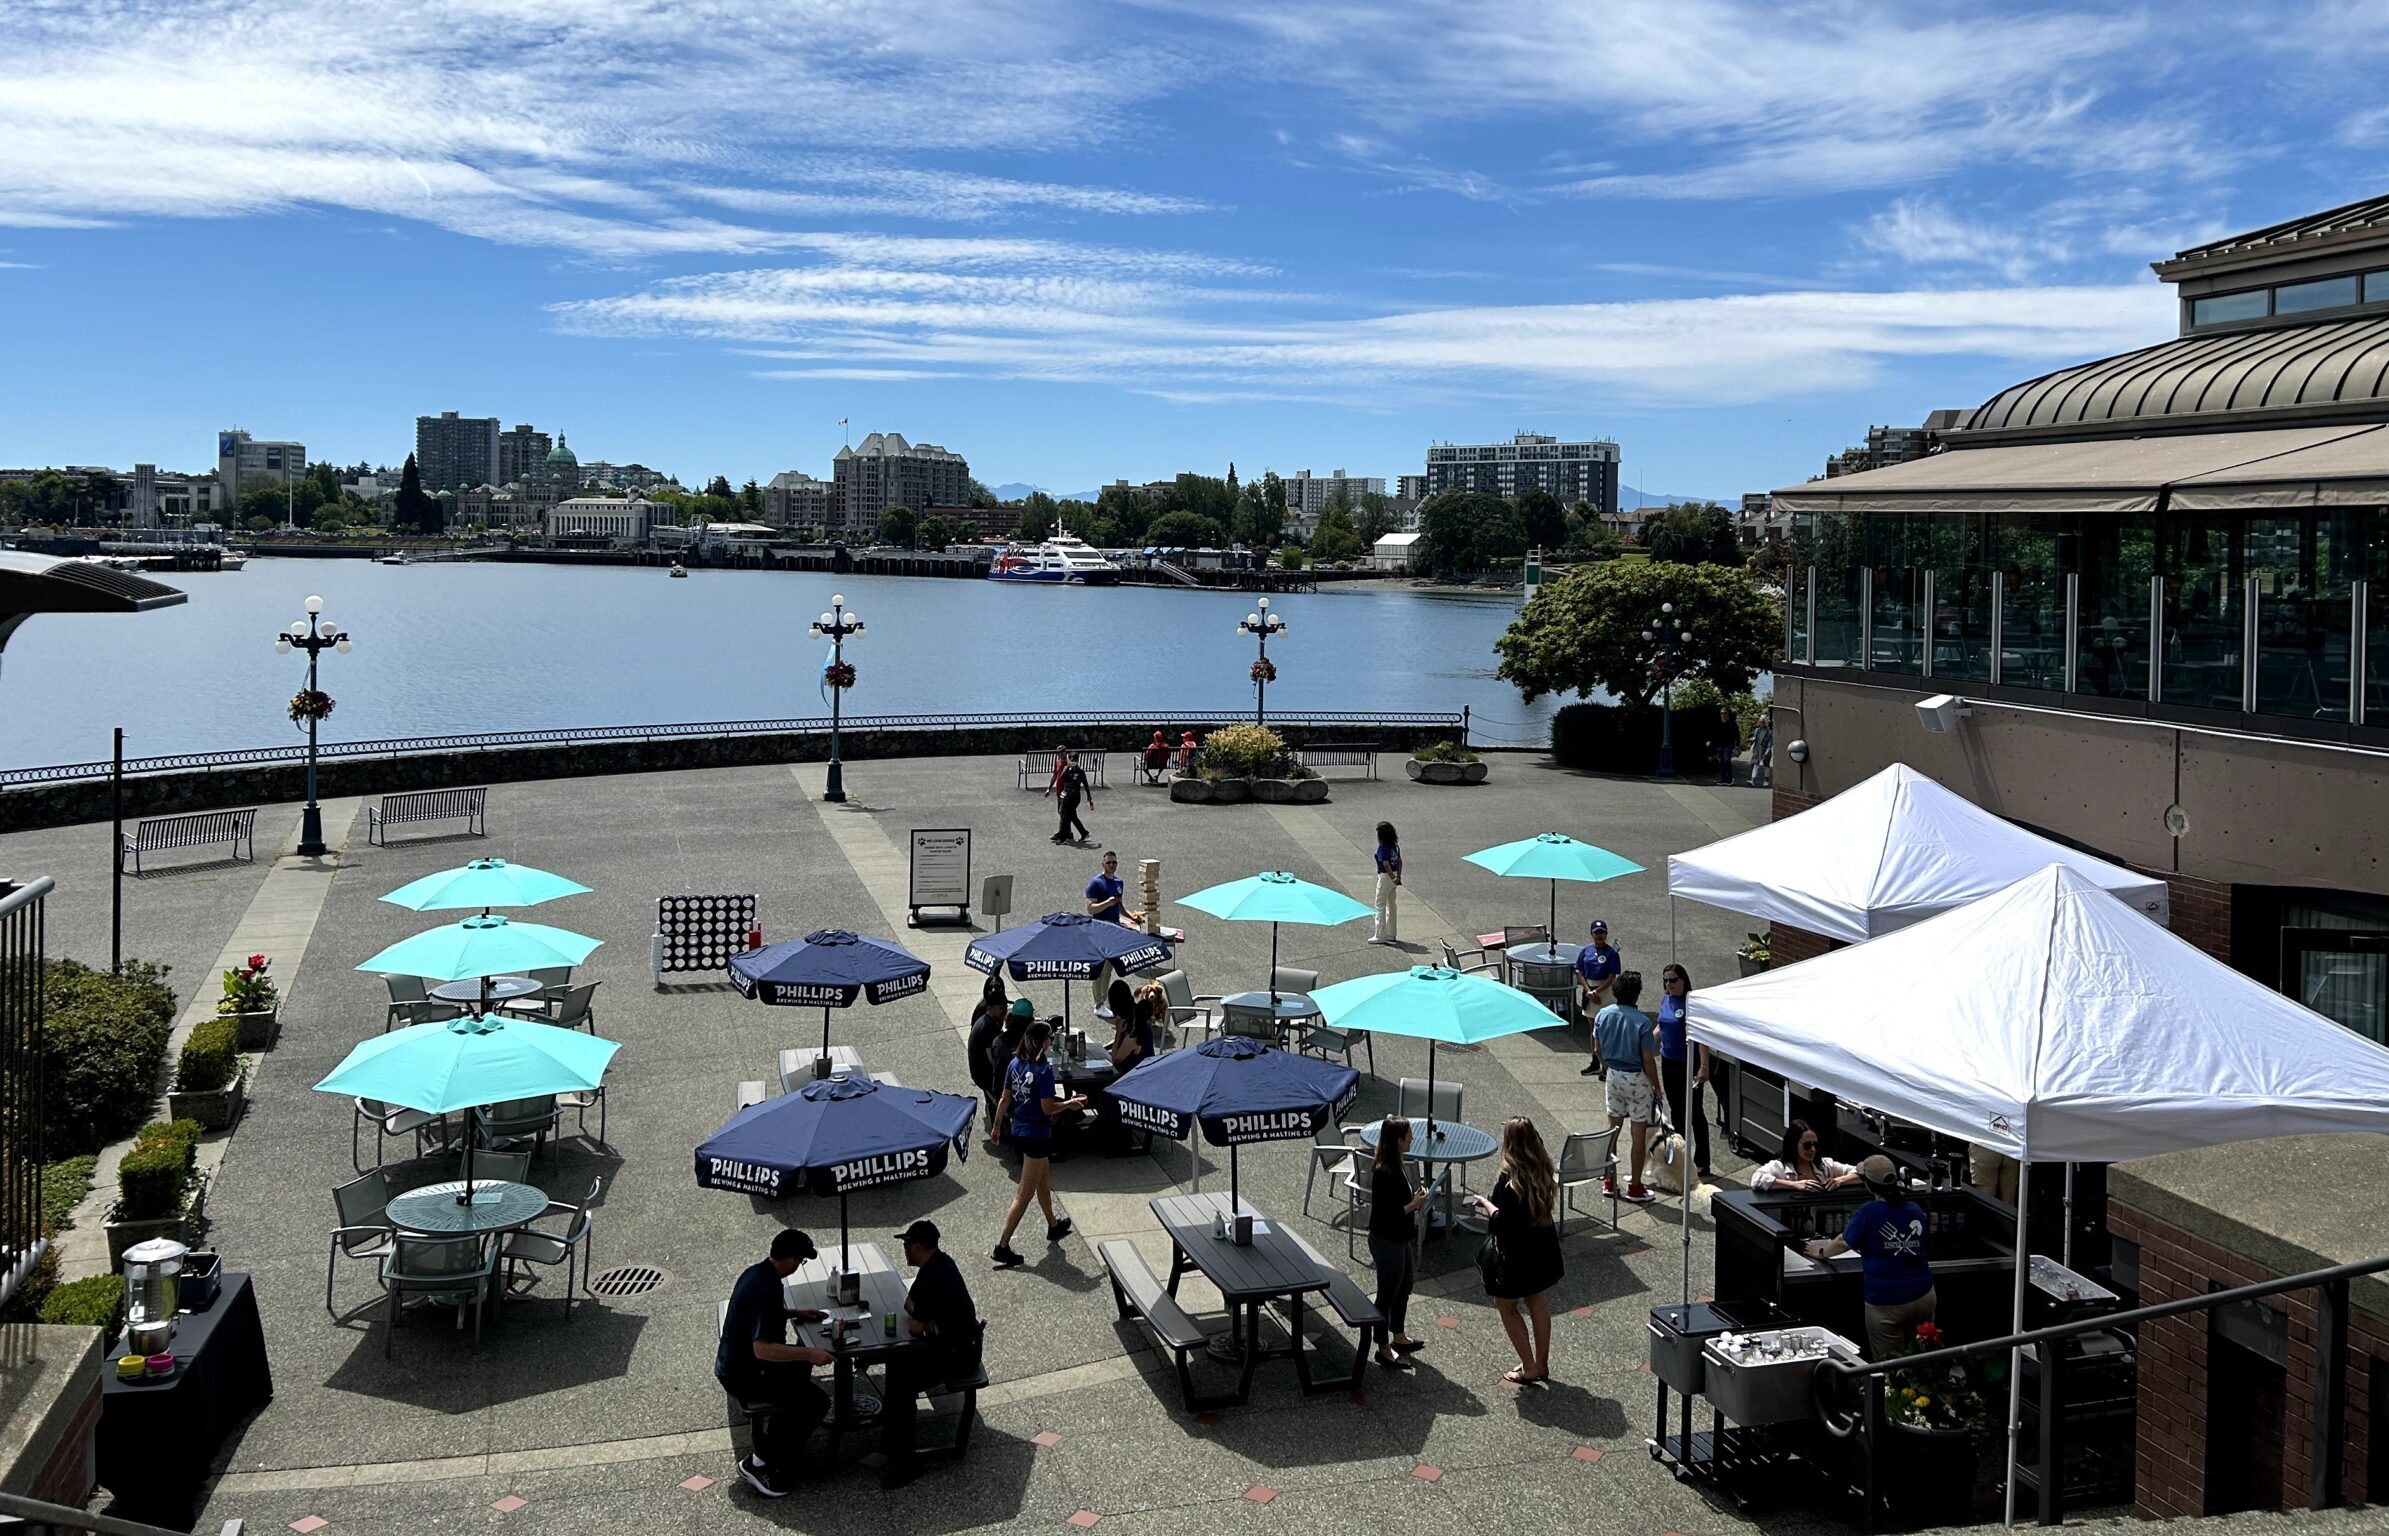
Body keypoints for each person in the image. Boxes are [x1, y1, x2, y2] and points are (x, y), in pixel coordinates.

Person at [865, 1219, 982, 1489]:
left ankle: (906, 1460)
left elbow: (915, 1324)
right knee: (896, 1365)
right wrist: (923, 1317)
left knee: (903, 1382)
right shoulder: (939, 1263)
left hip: (959, 1355)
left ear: (917, 1246)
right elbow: (910, 1305)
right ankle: (893, 1436)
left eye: (906, 1244)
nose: (904, 1250)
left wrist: (923, 1318)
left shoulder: (934, 1276)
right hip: (951, 1344)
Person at [715, 1229, 833, 1497]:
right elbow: (763, 1349)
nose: (799, 1266)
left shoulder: (756, 1273)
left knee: (800, 1380)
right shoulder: (767, 1288)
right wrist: (810, 1353)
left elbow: (759, 1314)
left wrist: (794, 1313)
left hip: (733, 1363)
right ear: (790, 1259)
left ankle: (781, 1442)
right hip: (745, 1374)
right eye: (801, 1261)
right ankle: (761, 1461)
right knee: (816, 1402)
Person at [1805, 1155, 1936, 1360]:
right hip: (1924, 1296)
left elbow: (1843, 1242)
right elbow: (1926, 1244)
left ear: (1868, 1185)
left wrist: (1820, 1253)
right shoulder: (1914, 1209)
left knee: (1890, 1367)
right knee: (1920, 1361)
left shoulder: (1869, 1212)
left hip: (1887, 1302)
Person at [1468, 1117, 1564, 1386]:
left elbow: (1501, 1221)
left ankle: (1529, 1367)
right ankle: (1542, 1364)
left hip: (1515, 1255)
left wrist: (1484, 1203)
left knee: (1507, 1308)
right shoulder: (1543, 1169)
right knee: (1538, 1305)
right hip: (1542, 1249)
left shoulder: (1509, 1179)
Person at [990, 1020, 1087, 1267]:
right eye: (1050, 1038)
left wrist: (997, 1124)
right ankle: (1002, 1245)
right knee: (1024, 1194)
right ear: (1042, 1041)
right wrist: (1069, 1104)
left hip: (1020, 1129)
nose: (1052, 1041)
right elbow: (1047, 1108)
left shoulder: (1015, 1063)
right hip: (1037, 1134)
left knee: (1043, 1180)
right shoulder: (1043, 1070)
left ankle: (1053, 1225)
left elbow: (1004, 1098)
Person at [1591, 971, 1660, 1203]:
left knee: (1613, 1130)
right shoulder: (1642, 1021)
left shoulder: (1602, 1015)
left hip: (1613, 1075)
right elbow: (1648, 1059)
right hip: (1636, 1078)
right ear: (1637, 993)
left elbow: (1597, 1050)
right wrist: (1656, 1086)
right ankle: (1635, 1186)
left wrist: (1607, 1065)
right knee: (1637, 1134)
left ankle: (1609, 1180)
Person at [1367, 1116, 1430, 1368]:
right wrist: (1413, 1205)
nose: (1412, 1138)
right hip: (1386, 1240)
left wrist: (1412, 1199)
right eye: (1408, 1135)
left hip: (1399, 1237)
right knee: (1387, 1293)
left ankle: (1399, 1335)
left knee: (1404, 1287)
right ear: (1398, 1140)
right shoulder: (1384, 1172)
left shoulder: (1396, 1165)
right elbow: (1386, 1213)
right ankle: (1382, 1347)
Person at [1655, 964, 1713, 1179]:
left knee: (1694, 1112)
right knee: (1677, 1112)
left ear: (1683, 980)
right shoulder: (1666, 1000)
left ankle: (1702, 1161)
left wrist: (1704, 1066)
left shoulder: (1691, 1003)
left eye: (1673, 980)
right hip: (1668, 1062)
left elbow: (1700, 1036)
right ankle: (1681, 1157)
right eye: (1666, 981)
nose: (1669, 985)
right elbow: (1662, 1027)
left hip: (1688, 1064)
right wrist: (1643, 1045)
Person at [1084, 850, 1139, 1008]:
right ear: (1103, 864)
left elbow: (1119, 905)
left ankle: (1104, 998)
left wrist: (1131, 918)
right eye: (1108, 862)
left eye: (1114, 862)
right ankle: (1098, 1002)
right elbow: (1090, 909)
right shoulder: (1095, 883)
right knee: (1099, 968)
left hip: (1113, 931)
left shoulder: (1118, 882)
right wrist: (1107, 903)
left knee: (1108, 969)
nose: (1111, 865)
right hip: (1099, 930)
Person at [1751, 1118, 1863, 1192]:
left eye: (1816, 1145)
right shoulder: (1779, 1167)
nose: (1813, 1149)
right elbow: (1757, 1179)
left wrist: (1839, 1181)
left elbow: (1863, 1173)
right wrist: (1794, 1185)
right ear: (1794, 1145)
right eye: (1807, 1145)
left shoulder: (1824, 1165)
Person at [965, 975, 1010, 1120]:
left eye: (1005, 1008)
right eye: (1001, 1009)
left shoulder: (990, 1021)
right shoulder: (988, 1027)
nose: (1004, 1012)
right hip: (983, 1074)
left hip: (981, 1070)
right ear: (990, 1009)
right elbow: (993, 1059)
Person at [1573, 920, 1621, 1050]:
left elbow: (1612, 976)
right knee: (1593, 1027)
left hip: (1605, 991)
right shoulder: (1585, 951)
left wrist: (1596, 992)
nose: (1600, 935)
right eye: (1597, 933)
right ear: (1591, 934)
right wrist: (1589, 991)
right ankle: (1595, 1059)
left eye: (1602, 932)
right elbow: (1580, 972)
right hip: (1589, 990)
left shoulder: (1611, 953)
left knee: (1607, 1027)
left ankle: (1607, 1058)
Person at [1369, 821, 1403, 946]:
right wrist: (1398, 877)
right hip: (1394, 878)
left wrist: (1392, 877)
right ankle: (1391, 933)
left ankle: (1380, 934)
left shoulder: (1383, 848)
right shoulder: (1395, 846)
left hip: (1385, 876)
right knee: (1391, 905)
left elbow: (1385, 864)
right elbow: (1399, 862)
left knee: (1380, 904)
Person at [1049, 752, 1092, 844]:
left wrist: (1089, 796)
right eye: (1072, 760)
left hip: (1075, 796)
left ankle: (1063, 837)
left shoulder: (1080, 771)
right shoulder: (1067, 769)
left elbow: (1085, 784)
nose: (1073, 761)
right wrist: (1067, 767)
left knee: (1065, 815)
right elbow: (1062, 777)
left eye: (1075, 760)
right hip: (1066, 794)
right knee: (1070, 815)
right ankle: (1083, 832)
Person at [1749, 716, 1774, 788]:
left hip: (1765, 748)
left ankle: (1766, 780)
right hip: (1757, 748)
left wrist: (1768, 749)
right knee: (1755, 763)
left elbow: (1770, 741)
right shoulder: (1757, 730)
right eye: (1760, 722)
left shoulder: (1769, 732)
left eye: (1763, 722)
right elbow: (1755, 738)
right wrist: (1753, 739)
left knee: (1766, 765)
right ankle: (1753, 780)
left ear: (1765, 723)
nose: (1761, 723)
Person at [1716, 705, 1738, 784]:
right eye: (1721, 713)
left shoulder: (1732, 723)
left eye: (1724, 713)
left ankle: (1730, 778)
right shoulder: (1719, 723)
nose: (1723, 715)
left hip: (1729, 745)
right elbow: (1715, 734)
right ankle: (1723, 779)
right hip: (1720, 745)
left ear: (1727, 714)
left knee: (1726, 761)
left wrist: (1737, 745)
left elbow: (1737, 734)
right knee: (1722, 762)